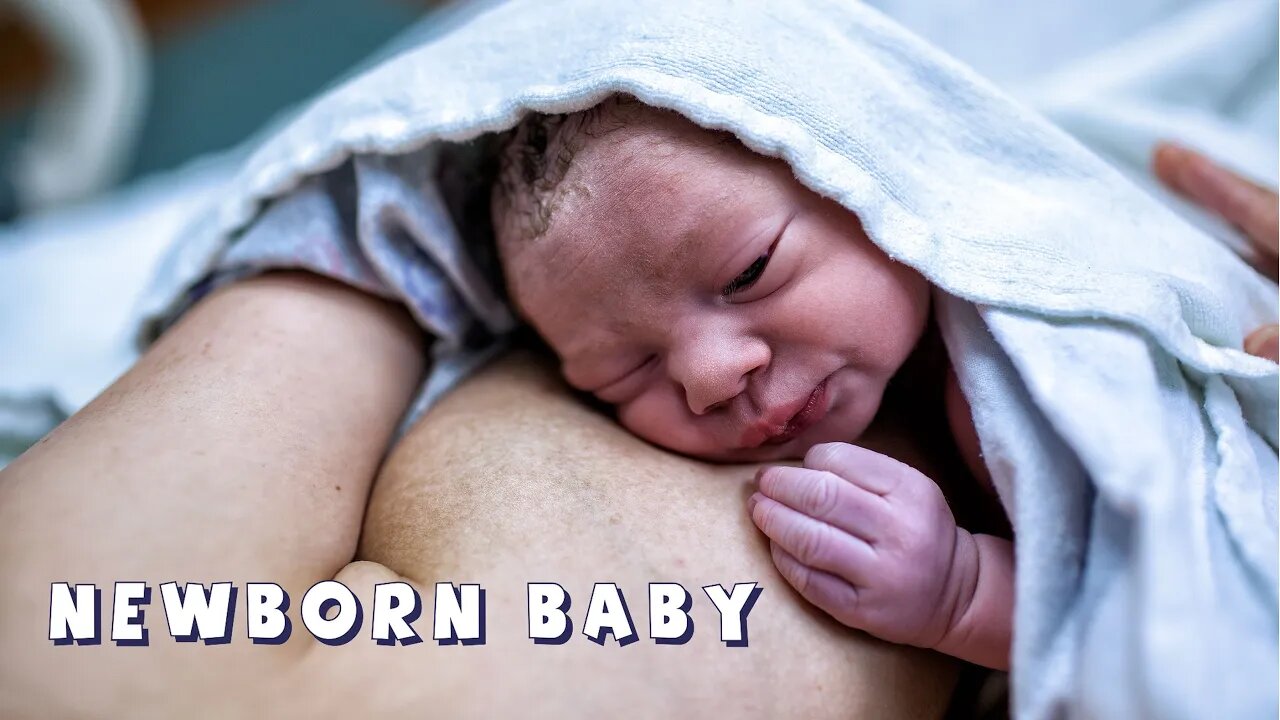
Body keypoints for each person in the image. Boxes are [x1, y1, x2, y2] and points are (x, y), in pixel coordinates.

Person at [0, 108, 1273, 716]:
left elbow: (1180, 559)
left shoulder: (1046, 312)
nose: (713, 372)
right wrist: (959, 592)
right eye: (620, 378)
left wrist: (965, 599)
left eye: (749, 273)